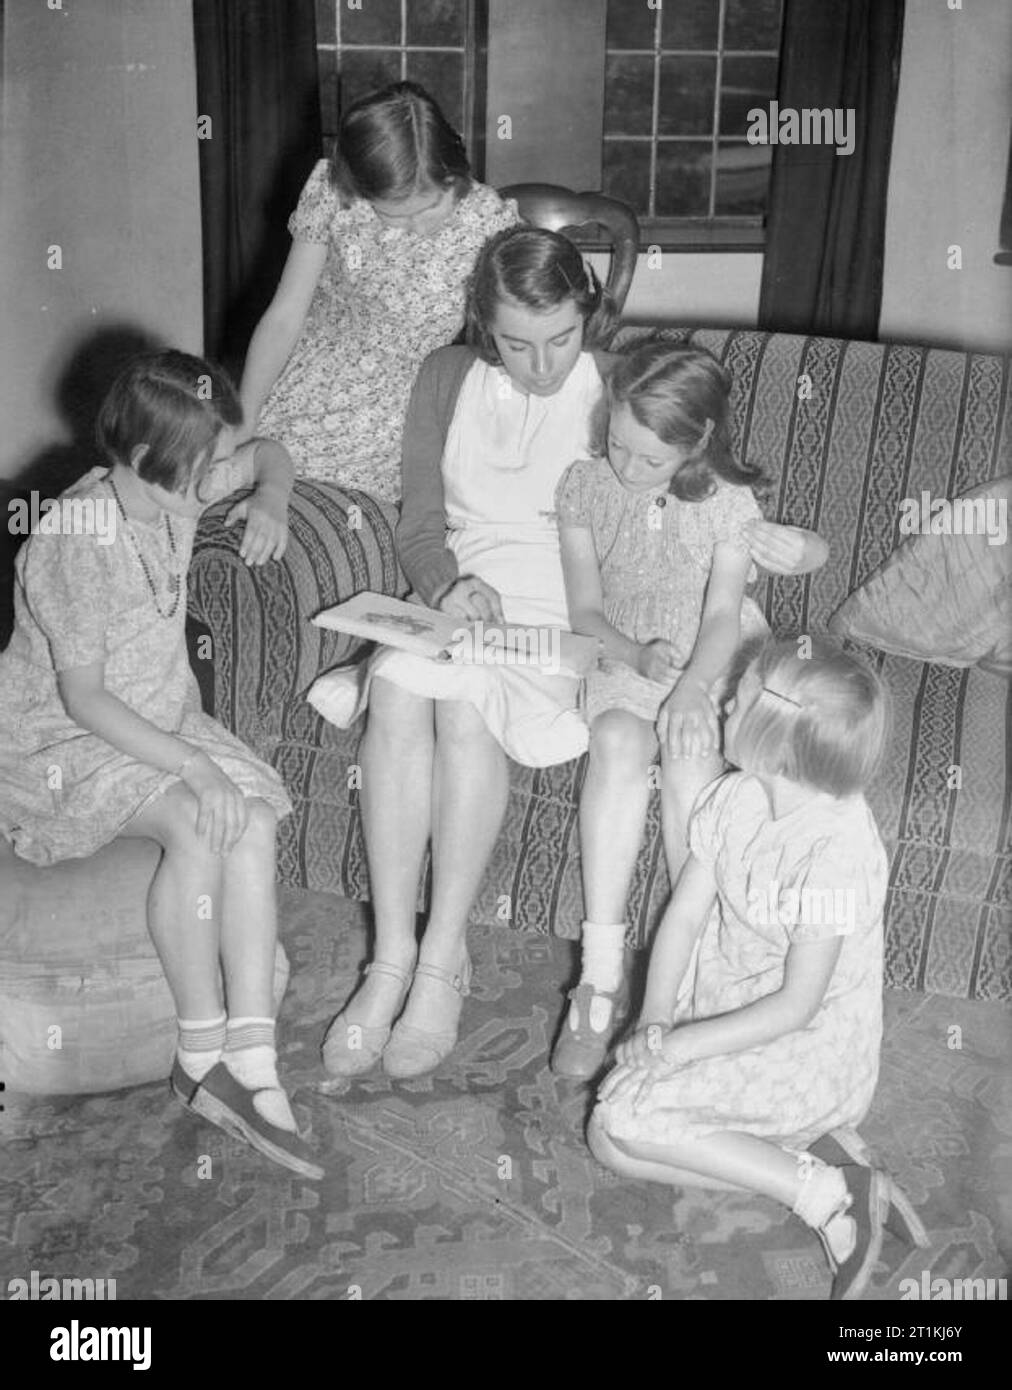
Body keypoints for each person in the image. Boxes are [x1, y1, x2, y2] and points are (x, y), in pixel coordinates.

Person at [315, 225, 822, 1081]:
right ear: (483, 323)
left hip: (568, 601)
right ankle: (390, 961)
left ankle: (442, 960)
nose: (543, 365)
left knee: (460, 704)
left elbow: (683, 498)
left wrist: (769, 550)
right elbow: (419, 520)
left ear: (589, 315)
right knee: (401, 692)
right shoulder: (445, 378)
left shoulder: (613, 385)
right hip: (471, 592)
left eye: (560, 338)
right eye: (516, 342)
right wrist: (444, 584)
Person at [0, 350, 322, 1180]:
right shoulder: (74, 537)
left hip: (160, 714)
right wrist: (195, 767)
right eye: (206, 470)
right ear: (143, 463)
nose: (220, 480)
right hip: (64, 742)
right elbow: (84, 702)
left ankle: (252, 1061)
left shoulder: (176, 479)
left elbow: (270, 452)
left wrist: (272, 498)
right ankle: (199, 1048)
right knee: (197, 814)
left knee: (247, 823)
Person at [588, 636, 922, 1300]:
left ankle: (826, 1192)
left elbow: (798, 1007)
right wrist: (656, 1016)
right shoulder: (732, 799)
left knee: (618, 1126)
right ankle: (805, 1165)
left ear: (773, 740)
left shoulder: (834, 851)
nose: (721, 701)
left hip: (805, 1046)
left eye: (735, 699)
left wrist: (678, 1047)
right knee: (610, 1142)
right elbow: (683, 917)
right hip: (723, 1007)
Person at [551, 341, 828, 1078]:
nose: (628, 468)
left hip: (712, 656)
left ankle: (689, 972)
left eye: (650, 459)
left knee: (692, 752)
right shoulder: (582, 487)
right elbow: (584, 610)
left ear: (699, 441)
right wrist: (637, 657)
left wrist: (692, 690)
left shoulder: (727, 504)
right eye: (617, 443)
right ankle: (599, 972)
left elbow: (719, 619)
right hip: (624, 652)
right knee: (614, 739)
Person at [240, 81, 519, 501]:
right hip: (302, 379)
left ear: (454, 174)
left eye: (429, 208)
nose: (418, 228)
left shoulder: (488, 223)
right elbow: (284, 317)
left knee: (315, 504)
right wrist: (243, 418)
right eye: (396, 217)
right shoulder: (334, 191)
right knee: (231, 476)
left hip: (399, 410)